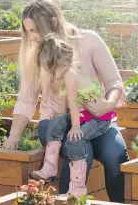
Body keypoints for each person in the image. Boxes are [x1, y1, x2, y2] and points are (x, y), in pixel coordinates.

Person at [2, 0, 129, 202]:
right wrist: (13, 137)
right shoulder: (35, 54)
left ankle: (121, 202)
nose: (33, 37)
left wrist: (108, 104)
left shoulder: (88, 40)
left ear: (53, 22)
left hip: (96, 119)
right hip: (56, 123)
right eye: (28, 32)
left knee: (116, 153)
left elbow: (114, 81)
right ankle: (66, 200)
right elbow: (26, 100)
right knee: (78, 149)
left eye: (35, 30)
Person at [30, 33, 117, 197]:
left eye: (50, 68)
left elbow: (73, 104)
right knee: (56, 122)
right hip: (86, 114)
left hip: (99, 119)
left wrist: (75, 127)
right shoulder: (66, 76)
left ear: (62, 64)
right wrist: (61, 119)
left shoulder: (70, 76)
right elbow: (65, 105)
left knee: (76, 139)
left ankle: (78, 186)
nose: (48, 72)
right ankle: (50, 167)